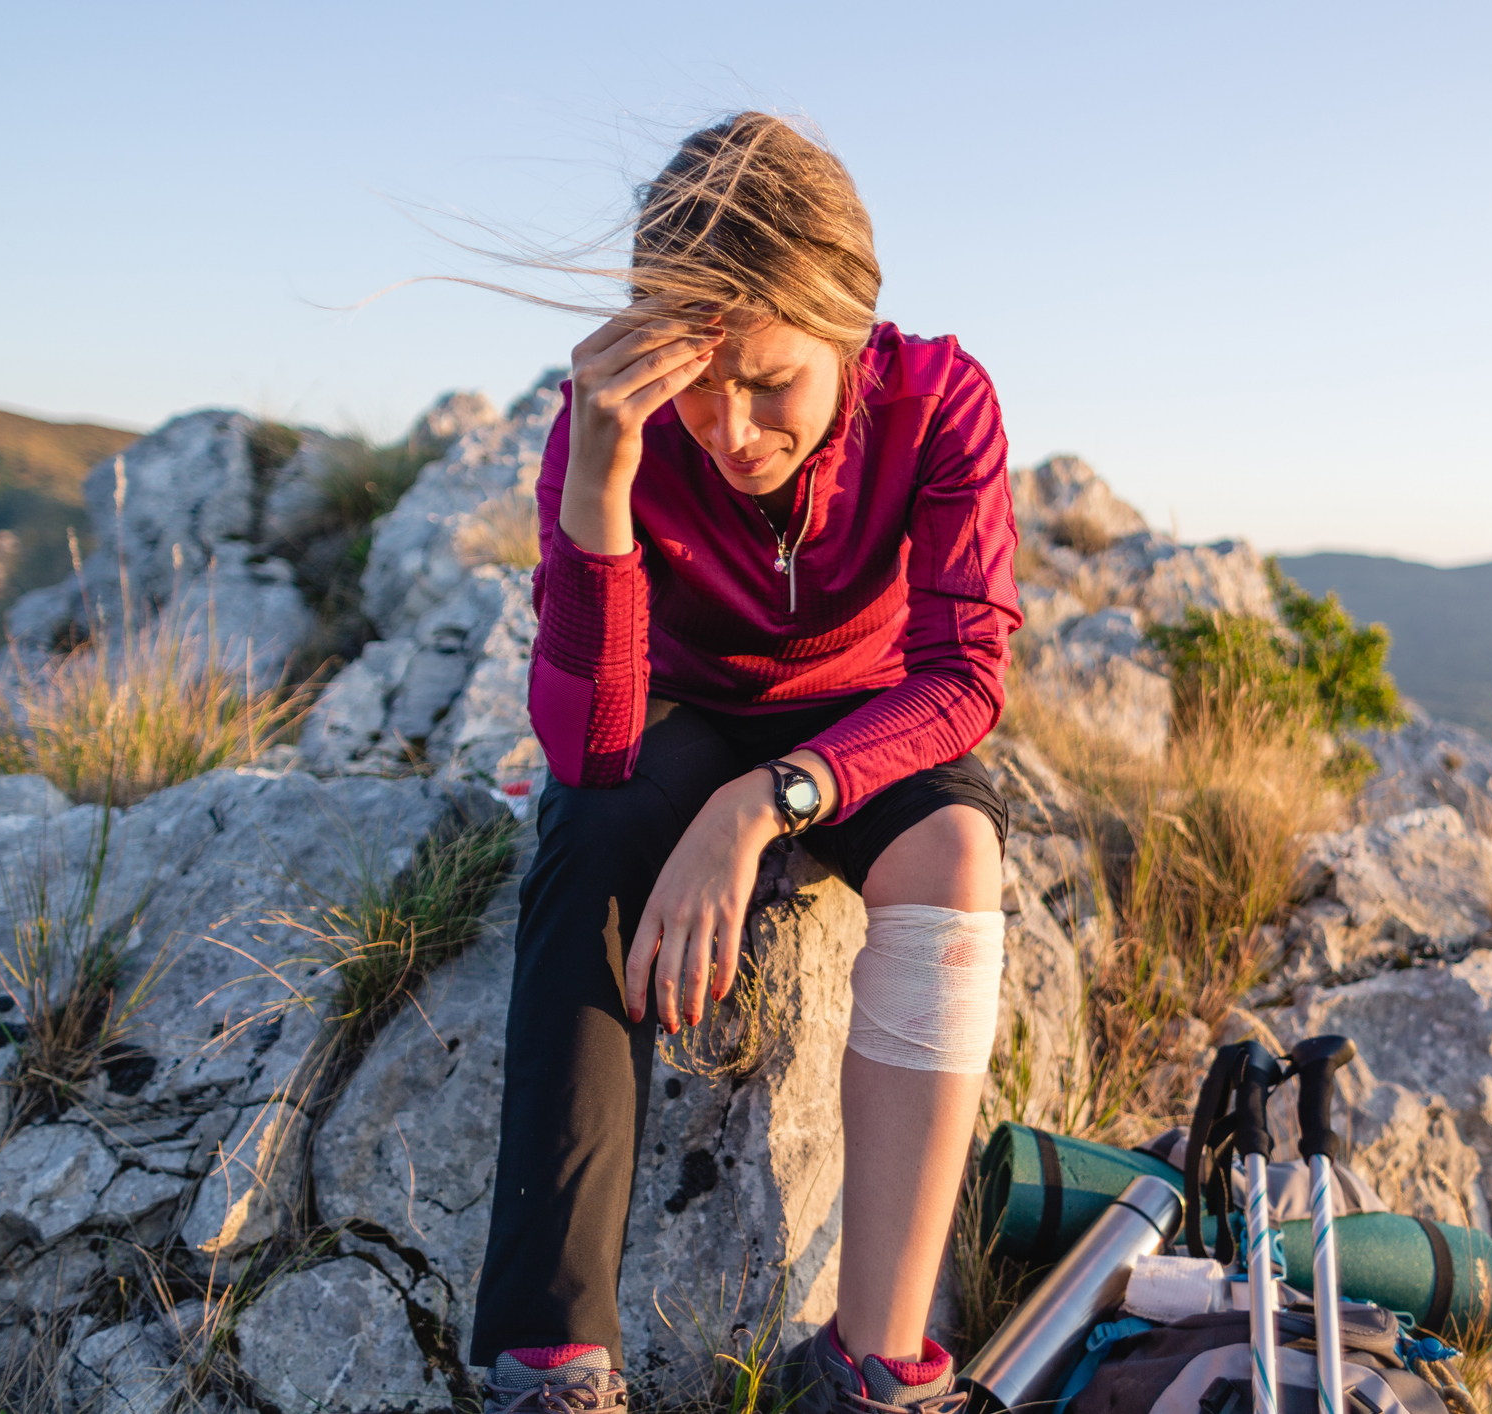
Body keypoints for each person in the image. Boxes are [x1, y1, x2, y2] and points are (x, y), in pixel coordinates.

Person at [469, 111, 1021, 1414]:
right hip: (677, 707)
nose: (729, 426)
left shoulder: (939, 399)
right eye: (699, 381)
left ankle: (875, 1361)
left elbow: (962, 678)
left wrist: (761, 805)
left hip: (854, 722)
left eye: (770, 381)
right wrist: (599, 488)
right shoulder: (617, 419)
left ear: (850, 334)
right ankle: (553, 1354)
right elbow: (589, 744)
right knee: (592, 832)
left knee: (955, 850)